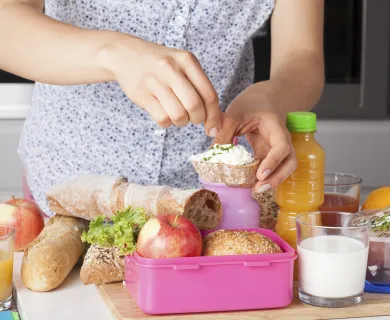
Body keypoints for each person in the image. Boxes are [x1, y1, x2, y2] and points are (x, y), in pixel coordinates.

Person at [0, 0, 325, 216]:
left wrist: (272, 97)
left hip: (213, 208)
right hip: (68, 197)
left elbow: (302, 53)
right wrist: (113, 53)